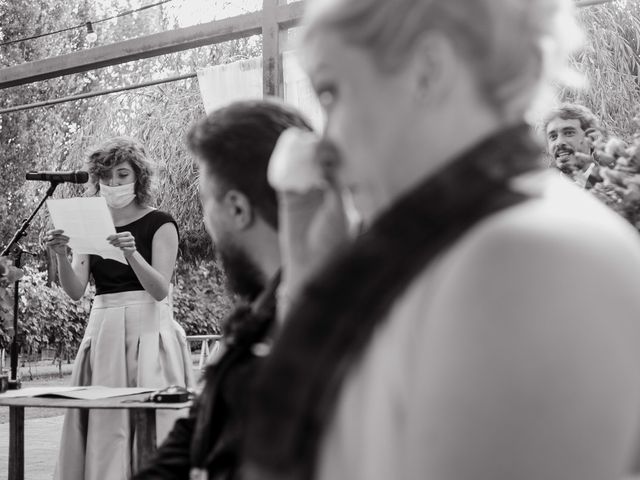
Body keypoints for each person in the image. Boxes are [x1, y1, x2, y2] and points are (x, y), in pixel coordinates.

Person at [241, 1, 640, 480]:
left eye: (330, 94)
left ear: (428, 69)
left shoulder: (520, 262)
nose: (326, 147)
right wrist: (307, 279)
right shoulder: (464, 247)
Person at [133, 99, 314, 480]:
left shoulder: (302, 334)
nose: (204, 220)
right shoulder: (254, 321)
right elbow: (192, 438)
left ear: (236, 209)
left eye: (204, 202)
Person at [46, 136, 195, 480]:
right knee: (106, 426)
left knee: (151, 425)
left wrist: (131, 253)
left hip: (149, 328)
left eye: (123, 175)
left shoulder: (161, 223)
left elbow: (160, 290)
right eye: (106, 176)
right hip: (103, 331)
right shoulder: (90, 222)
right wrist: (59, 255)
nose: (113, 183)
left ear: (139, 178)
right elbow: (75, 290)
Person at [543, 103, 604, 188]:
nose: (559, 142)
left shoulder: (614, 184)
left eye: (569, 133)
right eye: (553, 137)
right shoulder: (539, 192)